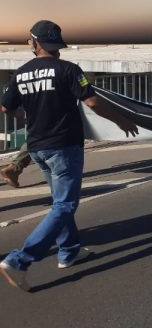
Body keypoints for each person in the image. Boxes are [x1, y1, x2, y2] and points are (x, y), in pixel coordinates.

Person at [0, 20, 139, 291]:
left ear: (34, 43)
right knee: (65, 206)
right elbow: (92, 101)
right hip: (64, 146)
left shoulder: (20, 73)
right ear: (56, 45)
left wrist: (27, 118)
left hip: (37, 147)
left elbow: (6, 108)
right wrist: (121, 120)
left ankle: (68, 251)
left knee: (59, 203)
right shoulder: (69, 70)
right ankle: (20, 259)